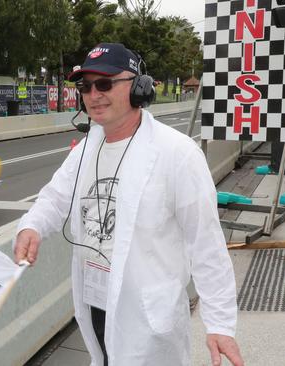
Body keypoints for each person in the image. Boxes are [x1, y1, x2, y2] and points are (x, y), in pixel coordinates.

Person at [14, 43, 243, 366]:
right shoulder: (86, 148)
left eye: (105, 83)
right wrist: (32, 225)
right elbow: (54, 197)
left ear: (139, 87)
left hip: (147, 316)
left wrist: (219, 323)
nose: (94, 95)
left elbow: (206, 243)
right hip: (96, 302)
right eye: (86, 86)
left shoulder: (176, 153)